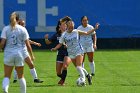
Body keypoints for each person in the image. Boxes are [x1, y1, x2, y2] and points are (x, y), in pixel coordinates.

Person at [51, 20, 99, 85]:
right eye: (70, 27)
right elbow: (60, 43)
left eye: (72, 27)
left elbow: (87, 33)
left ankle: (83, 80)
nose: (71, 28)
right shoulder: (64, 35)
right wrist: (55, 48)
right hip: (71, 53)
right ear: (67, 27)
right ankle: (88, 76)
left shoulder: (76, 31)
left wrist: (95, 28)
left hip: (79, 50)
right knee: (78, 67)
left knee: (79, 66)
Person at [0, 12, 34, 93]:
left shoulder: (6, 28)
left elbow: (2, 43)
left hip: (8, 54)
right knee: (21, 76)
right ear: (18, 20)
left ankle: (5, 88)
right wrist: (31, 55)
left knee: (7, 76)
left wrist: (0, 48)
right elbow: (28, 44)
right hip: (19, 54)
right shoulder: (23, 29)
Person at [13, 19, 43, 83]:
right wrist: (32, 55)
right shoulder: (20, 31)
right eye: (22, 24)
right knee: (20, 65)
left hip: (20, 51)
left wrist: (36, 43)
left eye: (24, 24)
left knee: (29, 64)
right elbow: (28, 44)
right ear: (19, 24)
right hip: (20, 51)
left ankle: (35, 79)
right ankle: (15, 79)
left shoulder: (18, 31)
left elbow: (27, 41)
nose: (24, 25)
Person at [45, 16, 71, 85]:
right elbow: (48, 42)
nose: (65, 25)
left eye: (66, 24)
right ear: (60, 26)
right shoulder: (57, 34)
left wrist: (66, 18)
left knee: (65, 66)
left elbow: (70, 21)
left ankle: (62, 82)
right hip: (60, 53)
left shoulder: (69, 33)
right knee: (58, 73)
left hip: (68, 52)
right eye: (63, 24)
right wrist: (46, 39)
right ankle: (63, 79)